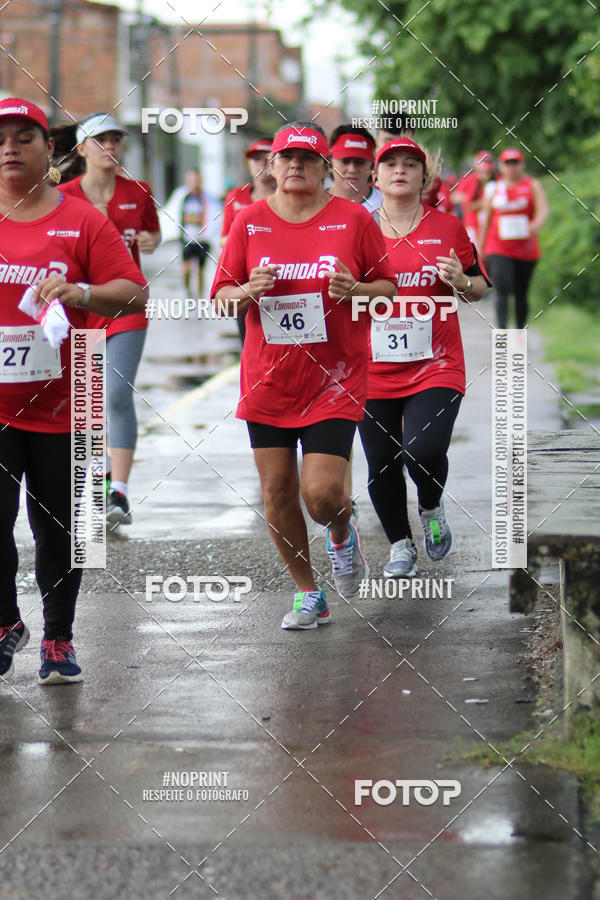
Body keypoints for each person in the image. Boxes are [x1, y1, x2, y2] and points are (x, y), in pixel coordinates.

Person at [211, 122, 396, 629]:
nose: (296, 165)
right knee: (276, 492)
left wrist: (354, 291)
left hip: (333, 379)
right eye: (286, 157)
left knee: (322, 494)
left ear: (325, 167)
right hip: (268, 381)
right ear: (271, 165)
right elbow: (221, 298)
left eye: (308, 158)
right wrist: (247, 292)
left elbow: (387, 288)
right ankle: (308, 592)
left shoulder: (353, 220)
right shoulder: (249, 222)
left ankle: (341, 532)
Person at [0, 98, 148, 683]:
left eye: (23, 136)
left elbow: (133, 294)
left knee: (62, 530)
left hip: (75, 389)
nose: (9, 147)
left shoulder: (82, 220)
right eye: (0, 138)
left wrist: (81, 293)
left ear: (50, 149)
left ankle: (58, 639)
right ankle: (7, 620)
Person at [360, 138, 490, 578]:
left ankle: (431, 507)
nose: (400, 170)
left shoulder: (449, 228)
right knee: (381, 462)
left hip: (436, 363)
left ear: (423, 177)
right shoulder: (356, 230)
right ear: (374, 177)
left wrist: (460, 281)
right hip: (371, 369)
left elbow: (478, 288)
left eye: (410, 164)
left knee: (423, 449)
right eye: (390, 164)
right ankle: (400, 545)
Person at [61, 113, 161, 526]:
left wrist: (152, 240)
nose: (111, 148)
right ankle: (97, 480)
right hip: (81, 309)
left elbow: (151, 235)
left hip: (124, 305)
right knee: (86, 403)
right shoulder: (63, 196)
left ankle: (118, 492)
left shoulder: (138, 192)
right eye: (101, 140)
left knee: (115, 394)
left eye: (116, 140)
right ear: (82, 149)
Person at [479, 148, 548, 329]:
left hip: (526, 248)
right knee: (502, 287)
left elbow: (542, 210)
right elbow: (486, 220)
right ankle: (502, 332)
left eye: (515, 163)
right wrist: (480, 249)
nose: (512, 168)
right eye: (507, 163)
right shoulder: (494, 189)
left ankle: (518, 332)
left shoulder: (532, 185)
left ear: (522, 164)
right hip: (498, 246)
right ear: (501, 166)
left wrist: (536, 224)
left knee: (521, 292)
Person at [220, 138, 276, 344]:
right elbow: (224, 240)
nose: (260, 164)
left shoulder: (287, 196)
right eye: (255, 159)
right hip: (244, 283)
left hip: (280, 281)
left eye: (266, 158)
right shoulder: (236, 196)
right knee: (249, 340)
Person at [328, 125, 381, 212]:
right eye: (345, 161)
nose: (352, 169)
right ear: (330, 163)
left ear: (372, 165)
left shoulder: (388, 205)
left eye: (360, 162)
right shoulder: (314, 204)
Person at [181, 170, 212, 297]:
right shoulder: (184, 197)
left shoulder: (205, 198)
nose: (195, 183)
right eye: (192, 180)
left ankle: (199, 298)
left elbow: (211, 216)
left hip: (202, 240)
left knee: (200, 272)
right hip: (187, 238)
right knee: (186, 271)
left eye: (197, 180)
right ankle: (188, 293)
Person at [455, 150, 495, 246]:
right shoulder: (471, 179)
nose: (485, 164)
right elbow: (456, 197)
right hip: (472, 222)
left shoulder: (495, 179)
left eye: (488, 162)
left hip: (490, 222)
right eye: (483, 161)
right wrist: (479, 202)